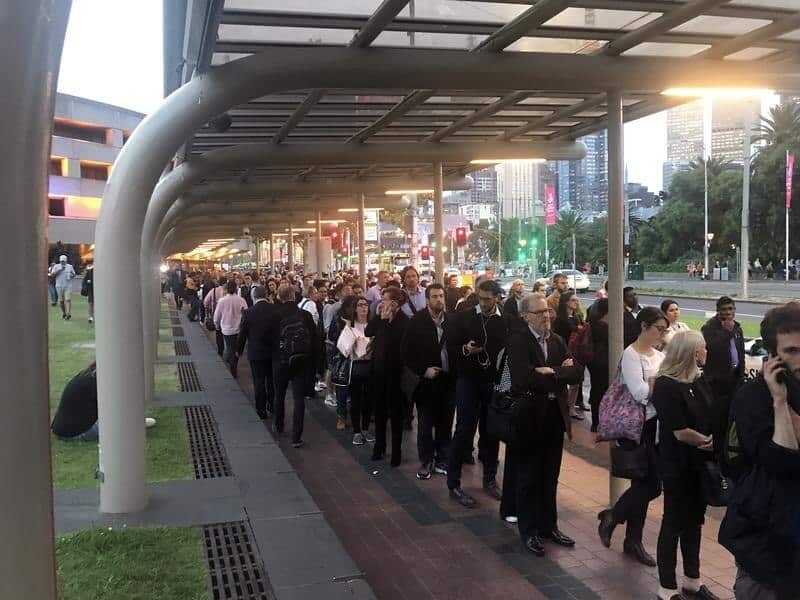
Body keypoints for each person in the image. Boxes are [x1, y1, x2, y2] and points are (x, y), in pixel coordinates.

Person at [719, 302, 800, 600]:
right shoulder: (753, 398)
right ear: (774, 356)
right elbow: (781, 462)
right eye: (792, 351)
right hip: (766, 544)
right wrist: (780, 402)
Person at [502, 294, 583, 556]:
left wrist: (550, 372)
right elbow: (524, 379)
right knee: (528, 475)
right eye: (539, 313)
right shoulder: (518, 341)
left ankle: (549, 526)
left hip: (554, 415)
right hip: (529, 417)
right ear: (525, 316)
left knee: (550, 474)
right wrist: (558, 372)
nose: (546, 316)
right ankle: (529, 531)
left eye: (547, 311)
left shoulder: (557, 340)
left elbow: (576, 373)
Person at [651, 331, 719, 600]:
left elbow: (709, 414)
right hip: (678, 464)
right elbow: (679, 431)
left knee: (694, 522)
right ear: (692, 352)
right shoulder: (666, 385)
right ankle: (666, 587)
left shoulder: (698, 379)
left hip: (699, 462)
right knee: (674, 522)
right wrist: (707, 441)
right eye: (703, 348)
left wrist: (713, 437)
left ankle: (693, 578)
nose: (707, 352)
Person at [598, 306, 667, 567]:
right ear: (644, 327)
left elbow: (657, 388)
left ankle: (631, 538)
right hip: (635, 427)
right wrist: (659, 382)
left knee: (643, 485)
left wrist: (655, 383)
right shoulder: (631, 354)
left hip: (655, 427)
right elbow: (640, 393)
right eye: (658, 329)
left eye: (664, 329)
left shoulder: (659, 355)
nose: (662, 334)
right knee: (650, 485)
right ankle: (613, 516)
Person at [447, 279, 507, 508]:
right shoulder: (464, 317)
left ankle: (490, 478)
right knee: (464, 429)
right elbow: (451, 348)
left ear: (497, 298)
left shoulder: (505, 321)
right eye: (480, 299)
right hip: (468, 381)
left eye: (488, 300)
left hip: (492, 382)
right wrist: (465, 350)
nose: (483, 303)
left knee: (491, 431)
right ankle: (454, 482)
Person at [402, 283, 455, 481]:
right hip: (427, 383)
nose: (439, 300)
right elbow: (406, 352)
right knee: (425, 424)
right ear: (427, 299)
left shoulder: (451, 320)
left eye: (441, 296)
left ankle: (443, 459)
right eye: (434, 296)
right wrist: (423, 370)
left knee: (446, 422)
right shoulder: (417, 321)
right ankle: (426, 460)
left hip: (448, 381)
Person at [51, 362, 155, 442]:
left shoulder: (89, 375)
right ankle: (136, 424)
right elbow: (116, 407)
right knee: (119, 420)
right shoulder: (98, 382)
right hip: (75, 433)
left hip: (63, 429)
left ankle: (135, 423)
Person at [270, 283, 317, 448]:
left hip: (280, 360)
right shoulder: (304, 315)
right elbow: (315, 338)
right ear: (293, 296)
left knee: (279, 394)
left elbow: (269, 339)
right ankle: (297, 437)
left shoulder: (274, 315)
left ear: (278, 297)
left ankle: (279, 425)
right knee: (298, 398)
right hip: (300, 360)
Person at [366, 286, 409, 466]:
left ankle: (396, 451)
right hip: (378, 372)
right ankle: (379, 445)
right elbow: (368, 332)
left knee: (396, 414)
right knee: (380, 411)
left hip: (396, 374)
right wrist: (379, 318)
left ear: (394, 303)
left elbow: (396, 344)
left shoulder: (403, 321)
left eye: (384, 300)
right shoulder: (380, 318)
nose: (381, 303)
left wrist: (385, 322)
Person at [701, 296, 744, 458]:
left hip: (735, 381)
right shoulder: (709, 328)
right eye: (724, 309)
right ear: (718, 310)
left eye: (731, 309)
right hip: (717, 384)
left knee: (732, 420)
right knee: (718, 421)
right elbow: (712, 347)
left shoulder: (737, 328)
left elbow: (739, 353)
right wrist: (727, 332)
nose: (728, 313)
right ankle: (717, 454)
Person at [336, 296, 375, 444]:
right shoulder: (350, 326)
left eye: (366, 305)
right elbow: (344, 349)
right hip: (356, 366)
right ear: (355, 308)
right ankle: (357, 431)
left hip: (371, 366)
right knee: (356, 400)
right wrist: (350, 333)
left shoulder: (373, 325)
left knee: (368, 400)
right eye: (360, 305)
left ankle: (366, 429)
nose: (364, 308)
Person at [236, 285, 276, 420]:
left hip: (256, 353)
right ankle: (272, 405)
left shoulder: (248, 313)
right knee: (271, 380)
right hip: (272, 352)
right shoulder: (274, 310)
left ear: (254, 297)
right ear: (265, 295)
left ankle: (261, 410)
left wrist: (239, 350)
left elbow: (243, 334)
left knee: (258, 381)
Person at [553, 291, 586, 420]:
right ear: (566, 302)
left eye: (577, 300)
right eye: (573, 300)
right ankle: (563, 407)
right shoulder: (561, 319)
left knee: (576, 382)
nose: (576, 302)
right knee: (563, 382)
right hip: (565, 352)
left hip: (577, 352)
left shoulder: (577, 316)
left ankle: (571, 407)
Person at [213, 280, 247, 377]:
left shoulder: (222, 301)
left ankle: (232, 364)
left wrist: (217, 324)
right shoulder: (241, 300)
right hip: (239, 329)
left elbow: (217, 315)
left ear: (227, 289)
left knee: (230, 347)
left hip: (226, 329)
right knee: (236, 348)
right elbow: (246, 314)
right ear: (236, 288)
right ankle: (233, 362)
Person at [587, 298, 609, 432]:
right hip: (602, 362)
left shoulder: (592, 321)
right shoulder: (603, 326)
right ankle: (598, 422)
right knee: (601, 391)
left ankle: (596, 422)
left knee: (596, 389)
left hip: (594, 361)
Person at [204, 276, 227, 356]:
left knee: (218, 332)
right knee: (227, 333)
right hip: (226, 315)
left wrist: (208, 309)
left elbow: (206, 302)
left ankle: (220, 350)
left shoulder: (213, 290)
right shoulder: (228, 291)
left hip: (216, 314)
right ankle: (228, 351)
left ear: (218, 282)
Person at [49, 254, 76, 320]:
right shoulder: (56, 266)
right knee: (61, 301)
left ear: (66, 261)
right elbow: (52, 275)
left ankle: (68, 314)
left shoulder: (70, 266)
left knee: (68, 299)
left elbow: (74, 274)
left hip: (68, 286)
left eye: (64, 261)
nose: (62, 262)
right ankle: (64, 312)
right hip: (59, 286)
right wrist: (60, 270)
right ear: (60, 261)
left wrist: (72, 275)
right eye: (61, 261)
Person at [82, 259, 94, 324]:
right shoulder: (89, 271)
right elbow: (85, 280)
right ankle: (91, 317)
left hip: (99, 290)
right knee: (90, 303)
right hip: (91, 289)